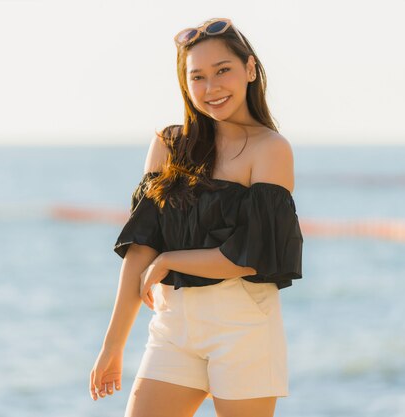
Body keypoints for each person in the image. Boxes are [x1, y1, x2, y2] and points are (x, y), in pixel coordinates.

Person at [89, 17, 304, 417]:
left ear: (250, 70)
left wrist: (169, 260)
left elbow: (248, 257)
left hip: (244, 329)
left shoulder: (270, 149)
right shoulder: (168, 144)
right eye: (198, 77)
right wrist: (113, 346)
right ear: (185, 84)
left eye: (223, 71)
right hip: (174, 329)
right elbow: (140, 250)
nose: (212, 88)